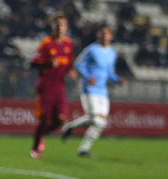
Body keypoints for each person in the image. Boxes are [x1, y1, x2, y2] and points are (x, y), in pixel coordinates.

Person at [60, 25, 125, 157]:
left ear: (110, 36)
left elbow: (109, 72)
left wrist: (118, 80)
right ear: (98, 35)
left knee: (100, 122)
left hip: (102, 91)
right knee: (97, 120)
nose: (103, 35)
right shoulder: (92, 49)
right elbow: (78, 64)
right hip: (89, 89)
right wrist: (87, 77)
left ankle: (78, 141)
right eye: (101, 33)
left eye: (106, 33)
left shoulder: (112, 53)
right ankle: (79, 143)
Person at [29, 13, 75, 159]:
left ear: (66, 27)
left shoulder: (68, 44)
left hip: (59, 86)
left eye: (62, 25)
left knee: (61, 119)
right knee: (45, 119)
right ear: (52, 26)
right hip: (46, 86)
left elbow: (69, 62)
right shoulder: (46, 43)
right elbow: (33, 63)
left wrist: (71, 70)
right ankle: (35, 149)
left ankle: (41, 135)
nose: (60, 28)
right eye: (57, 25)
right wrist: (48, 63)